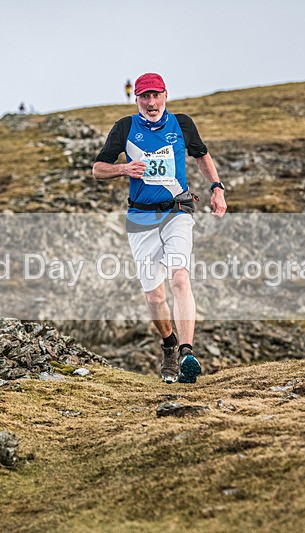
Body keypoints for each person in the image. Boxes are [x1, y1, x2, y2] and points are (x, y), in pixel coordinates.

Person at [92, 73, 227, 384]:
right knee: (154, 297)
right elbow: (98, 169)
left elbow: (201, 156)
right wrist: (123, 168)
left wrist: (216, 187)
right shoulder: (125, 127)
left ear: (166, 94)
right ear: (136, 98)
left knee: (179, 278)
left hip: (178, 211)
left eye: (155, 95)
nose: (150, 102)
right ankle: (168, 343)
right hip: (141, 218)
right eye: (144, 97)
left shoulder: (181, 124)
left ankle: (186, 352)